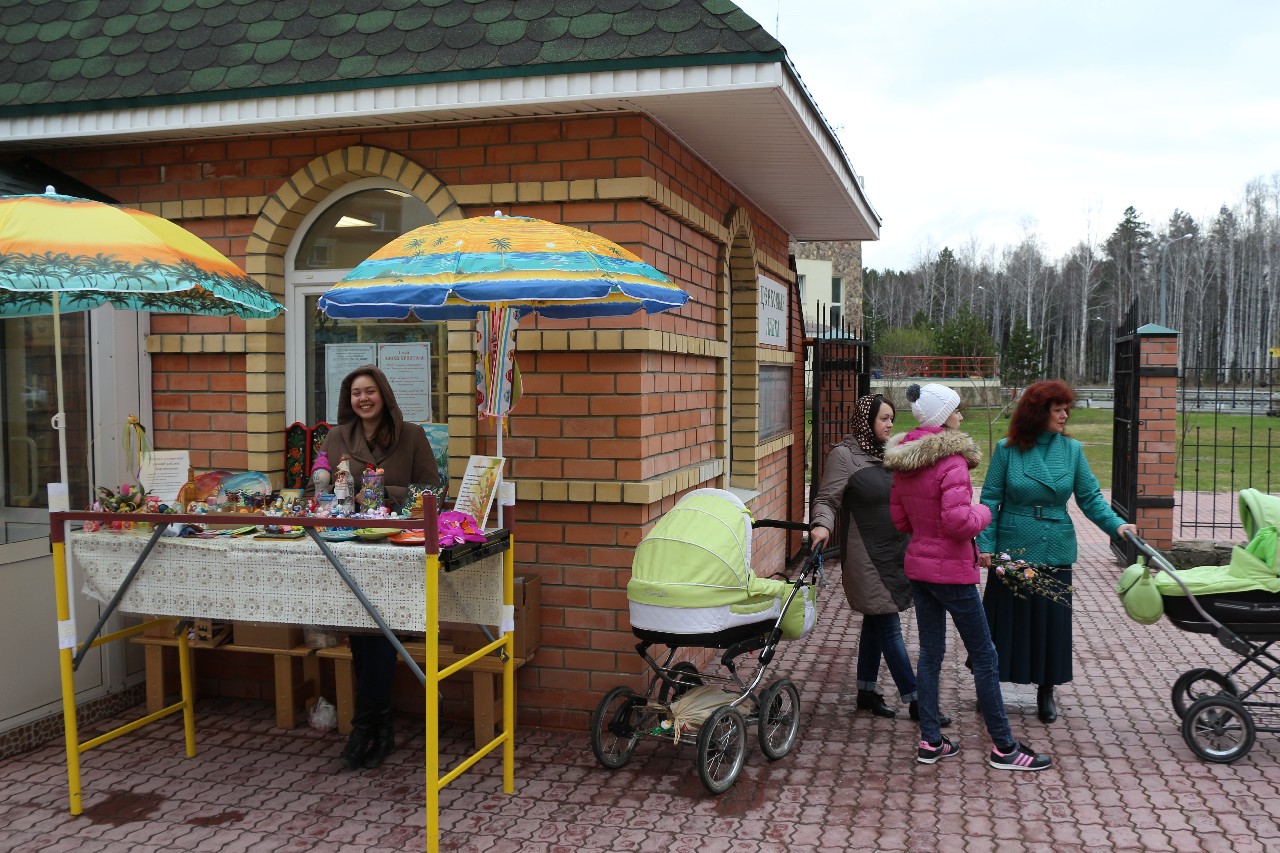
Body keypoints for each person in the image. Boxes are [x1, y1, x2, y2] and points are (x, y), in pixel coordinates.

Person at [884, 382, 1051, 771]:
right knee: (985, 655)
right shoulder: (952, 461)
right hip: (952, 573)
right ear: (943, 418)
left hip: (920, 568)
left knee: (931, 654)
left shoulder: (904, 459)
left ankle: (930, 741)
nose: (961, 415)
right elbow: (959, 522)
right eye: (957, 410)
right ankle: (1004, 747)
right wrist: (986, 513)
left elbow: (900, 520)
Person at [976, 380, 1138, 724]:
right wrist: (985, 544)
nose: (1065, 416)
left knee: (1050, 623)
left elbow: (1090, 498)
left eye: (1066, 410)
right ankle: (990, 686)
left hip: (1055, 546)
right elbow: (990, 499)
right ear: (1038, 413)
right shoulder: (1007, 450)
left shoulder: (1072, 450)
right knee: (1006, 621)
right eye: (1058, 410)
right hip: (1014, 546)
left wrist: (1117, 526)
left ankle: (1046, 688)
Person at [319, 364, 440, 770]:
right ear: (348, 399)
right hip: (352, 551)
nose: (363, 399)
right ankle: (381, 730)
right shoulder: (336, 437)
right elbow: (321, 491)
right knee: (361, 638)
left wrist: (379, 492)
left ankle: (362, 732)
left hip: (396, 552)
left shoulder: (412, 435)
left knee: (383, 637)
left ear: (384, 395)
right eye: (356, 393)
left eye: (370, 391)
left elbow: (431, 492)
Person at [810, 394, 949, 726]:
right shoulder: (844, 456)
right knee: (888, 624)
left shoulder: (891, 453)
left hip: (896, 551)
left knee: (876, 621)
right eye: (884, 418)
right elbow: (827, 499)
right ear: (866, 420)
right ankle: (917, 700)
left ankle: (866, 691)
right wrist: (821, 524)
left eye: (891, 418)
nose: (890, 424)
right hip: (865, 557)